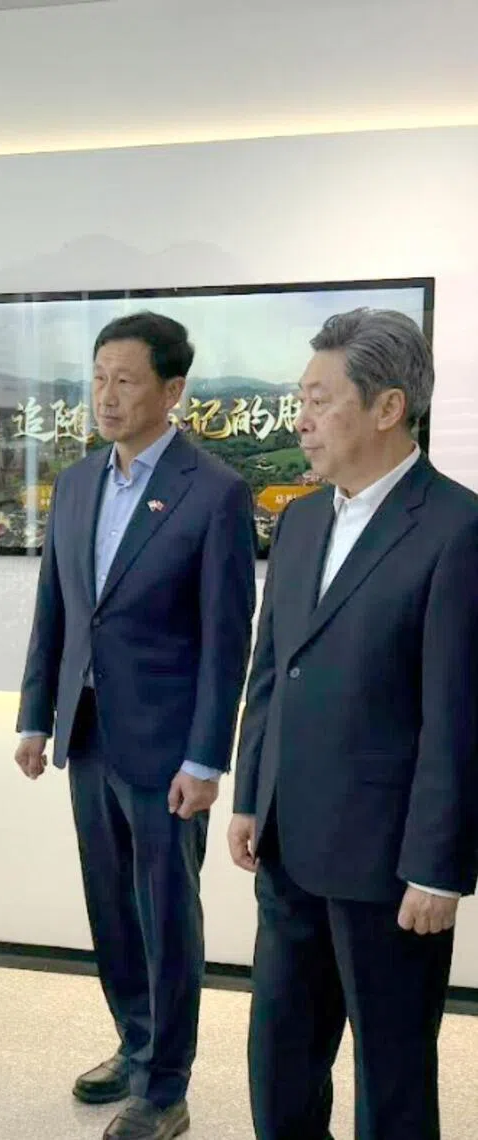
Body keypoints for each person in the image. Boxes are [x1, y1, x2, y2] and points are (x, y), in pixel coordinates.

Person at [228, 308, 478, 1140]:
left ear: (386, 407)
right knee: (281, 1059)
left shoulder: (456, 529)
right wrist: (247, 795)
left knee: (392, 1075)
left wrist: (439, 868)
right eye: (299, 398)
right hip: (288, 845)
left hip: (389, 866)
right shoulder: (301, 521)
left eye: (319, 398)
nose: (298, 418)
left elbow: (459, 714)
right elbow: (271, 673)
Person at [16, 312, 256, 1140]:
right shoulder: (77, 482)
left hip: (166, 751)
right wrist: (33, 718)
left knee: (166, 910)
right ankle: (134, 1040)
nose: (107, 396)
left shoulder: (216, 492)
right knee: (111, 906)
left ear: (173, 390)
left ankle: (167, 1085)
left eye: (126, 379)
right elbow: (55, 611)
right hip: (86, 733)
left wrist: (206, 758)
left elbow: (229, 643)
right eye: (98, 377)